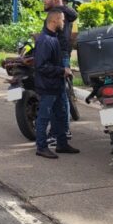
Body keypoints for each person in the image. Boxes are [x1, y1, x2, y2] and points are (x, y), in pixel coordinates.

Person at [33, 9, 81, 159]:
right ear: (54, 21)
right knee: (44, 117)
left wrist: (64, 70)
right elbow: (41, 66)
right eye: (62, 20)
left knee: (61, 115)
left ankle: (62, 144)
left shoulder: (53, 38)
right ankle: (41, 147)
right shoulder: (45, 40)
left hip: (57, 84)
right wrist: (62, 70)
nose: (64, 23)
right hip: (48, 86)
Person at [43, 0, 78, 147]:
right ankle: (62, 131)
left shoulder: (60, 14)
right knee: (60, 94)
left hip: (59, 57)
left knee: (59, 95)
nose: (44, 1)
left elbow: (60, 38)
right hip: (59, 55)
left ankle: (60, 132)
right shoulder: (63, 13)